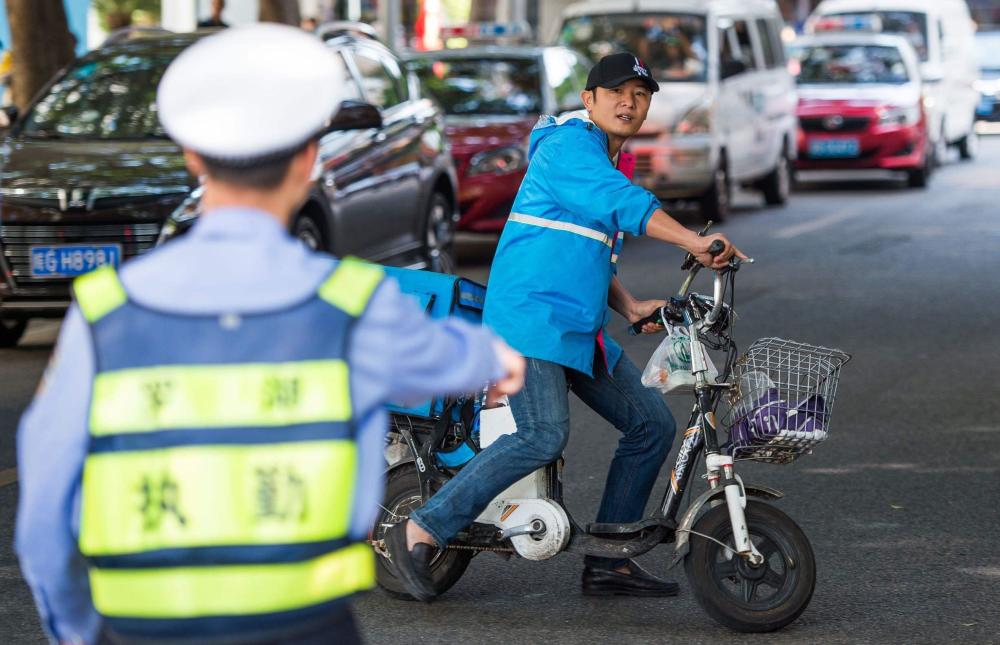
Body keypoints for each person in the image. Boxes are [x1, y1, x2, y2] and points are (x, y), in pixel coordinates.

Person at [15, 24, 524, 645]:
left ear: (192, 158)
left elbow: (44, 514)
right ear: (309, 161)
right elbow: (464, 359)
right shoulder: (355, 304)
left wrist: (74, 629)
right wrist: (496, 359)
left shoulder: (103, 312)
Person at [386, 52, 744, 601]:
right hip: (529, 319)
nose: (629, 102)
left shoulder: (607, 158)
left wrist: (627, 306)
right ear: (588, 99)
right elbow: (618, 205)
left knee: (651, 426)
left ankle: (609, 563)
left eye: (641, 95)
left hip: (577, 326)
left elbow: (588, 249)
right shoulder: (567, 147)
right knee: (542, 433)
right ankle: (420, 528)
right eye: (617, 92)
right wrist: (695, 240)